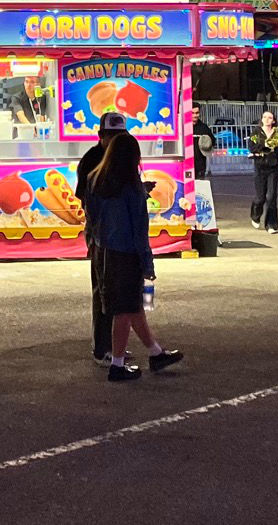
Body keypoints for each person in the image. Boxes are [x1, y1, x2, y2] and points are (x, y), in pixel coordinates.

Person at [87, 131, 183, 381]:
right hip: (127, 253)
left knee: (131, 306)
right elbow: (140, 230)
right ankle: (117, 365)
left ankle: (155, 352)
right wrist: (147, 262)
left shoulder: (95, 180)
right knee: (125, 309)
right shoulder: (132, 189)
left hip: (104, 251)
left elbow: (92, 218)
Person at [77, 113, 128, 362]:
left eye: (121, 136)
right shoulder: (91, 160)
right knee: (103, 289)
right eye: (112, 136)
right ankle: (102, 348)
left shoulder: (124, 158)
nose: (117, 141)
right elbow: (85, 199)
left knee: (121, 290)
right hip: (101, 233)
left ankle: (116, 345)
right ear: (101, 136)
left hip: (122, 233)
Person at [249, 110, 278, 232]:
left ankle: (271, 224)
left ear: (273, 120)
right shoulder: (256, 132)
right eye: (264, 117)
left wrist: (274, 149)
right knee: (260, 197)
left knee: (272, 196)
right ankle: (255, 216)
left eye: (270, 117)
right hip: (260, 167)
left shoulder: (277, 132)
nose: (267, 119)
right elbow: (251, 147)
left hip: (273, 168)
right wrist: (264, 148)